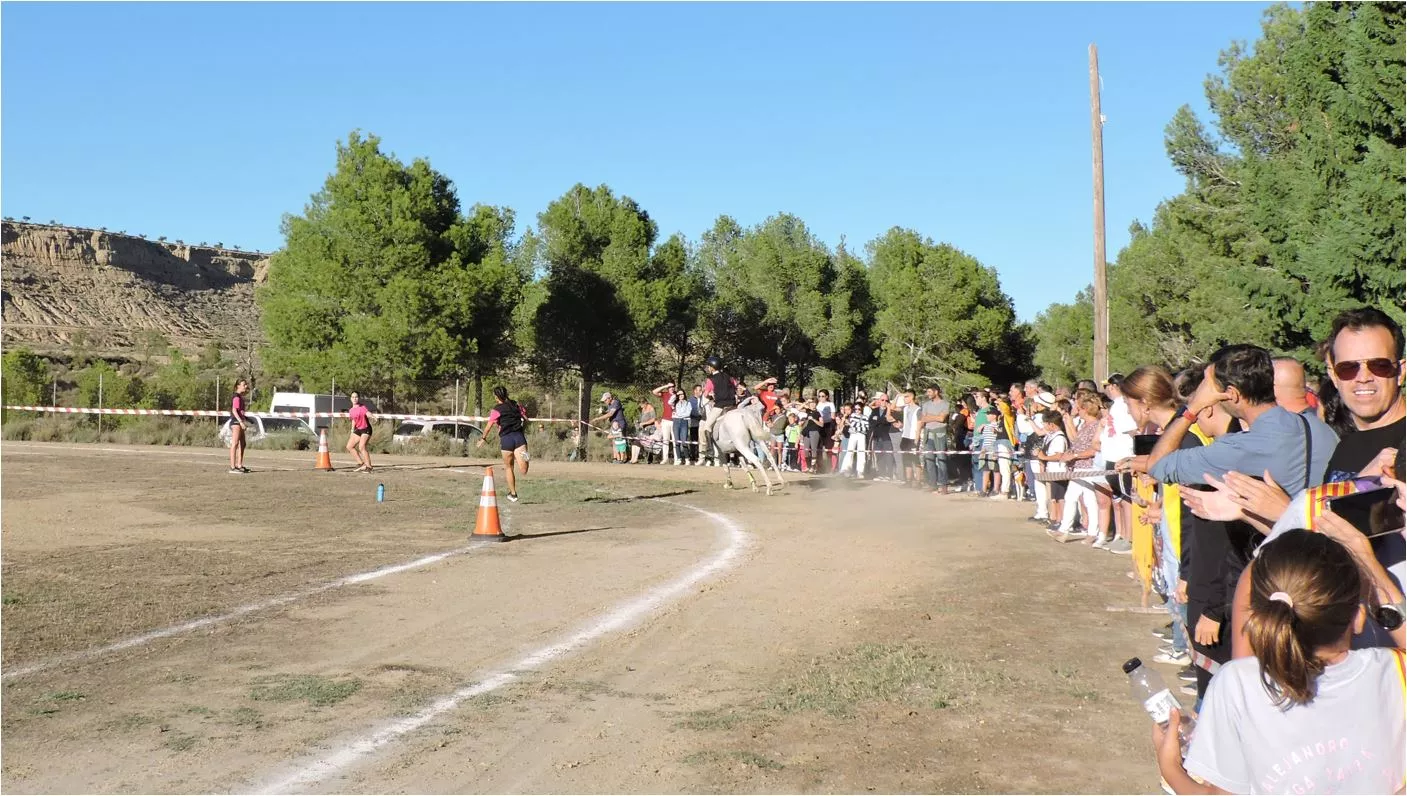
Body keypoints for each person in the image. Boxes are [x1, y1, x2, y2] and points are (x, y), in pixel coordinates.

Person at [1153, 530, 1406, 795]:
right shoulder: (1394, 671)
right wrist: (1374, 570)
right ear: (1358, 618)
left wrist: (1171, 767)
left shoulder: (1238, 683)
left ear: (1262, 616)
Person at [477, 385, 530, 502]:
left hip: (506, 440)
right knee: (524, 470)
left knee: (509, 467)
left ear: (496, 397)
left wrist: (483, 438)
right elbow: (525, 418)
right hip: (519, 438)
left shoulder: (496, 410)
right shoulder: (516, 405)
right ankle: (526, 457)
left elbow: (488, 427)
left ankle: (513, 494)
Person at [699, 356, 739, 466]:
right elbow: (736, 385)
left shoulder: (710, 379)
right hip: (732, 406)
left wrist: (711, 396)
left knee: (706, 427)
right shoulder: (729, 377)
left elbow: (706, 395)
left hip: (720, 406)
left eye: (709, 366)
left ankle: (710, 451)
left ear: (712, 367)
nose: (708, 368)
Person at [920, 386, 951, 494]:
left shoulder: (945, 404)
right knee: (929, 460)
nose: (928, 394)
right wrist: (935, 417)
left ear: (936, 392)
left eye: (929, 391)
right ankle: (932, 484)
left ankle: (943, 484)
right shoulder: (926, 405)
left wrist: (930, 416)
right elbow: (923, 419)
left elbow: (942, 419)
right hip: (928, 435)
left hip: (940, 434)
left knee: (942, 459)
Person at [345, 391, 375, 473]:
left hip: (366, 429)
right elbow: (354, 420)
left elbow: (367, 413)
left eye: (356, 397)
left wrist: (372, 416)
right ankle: (361, 463)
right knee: (349, 446)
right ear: (351, 399)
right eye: (353, 397)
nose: (354, 398)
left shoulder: (362, 407)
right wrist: (352, 430)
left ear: (358, 398)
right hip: (358, 429)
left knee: (361, 447)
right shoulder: (351, 410)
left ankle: (369, 467)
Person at [228, 378, 251, 474]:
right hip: (236, 422)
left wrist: (246, 419)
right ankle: (233, 467)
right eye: (244, 385)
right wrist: (241, 422)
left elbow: (240, 412)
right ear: (238, 386)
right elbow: (234, 411)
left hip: (240, 422)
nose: (246, 386)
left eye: (246, 384)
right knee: (235, 444)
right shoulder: (236, 397)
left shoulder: (241, 397)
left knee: (243, 444)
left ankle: (239, 465)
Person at [651, 383, 678, 464]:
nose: (671, 388)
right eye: (670, 387)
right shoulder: (665, 394)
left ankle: (677, 458)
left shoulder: (677, 395)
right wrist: (665, 386)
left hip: (674, 420)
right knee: (665, 440)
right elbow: (654, 392)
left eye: (673, 387)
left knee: (675, 440)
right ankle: (665, 458)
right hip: (666, 420)